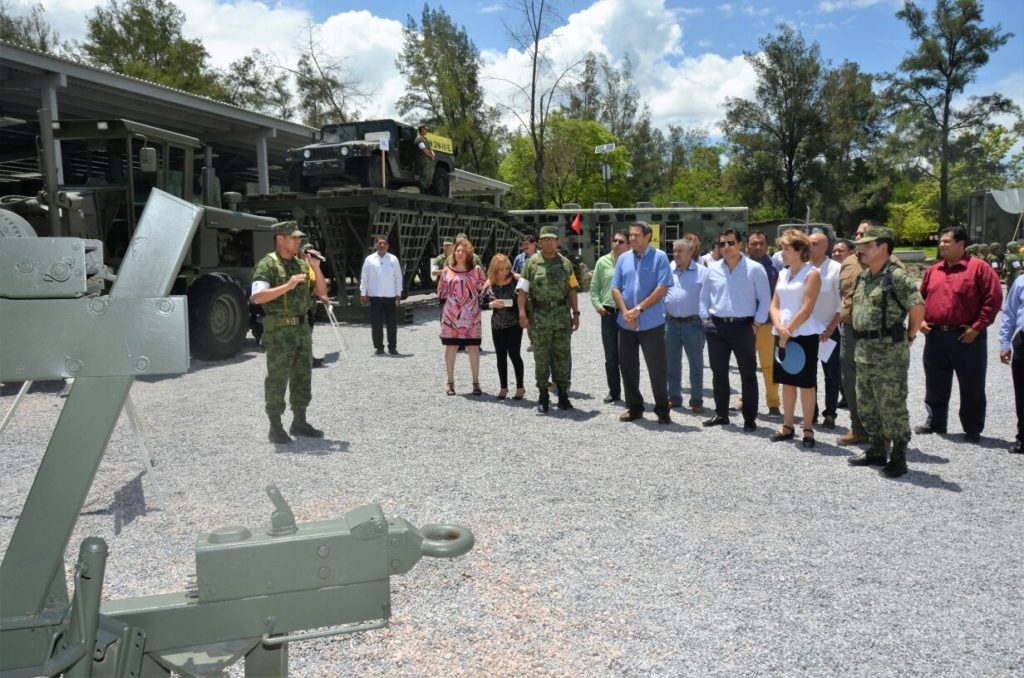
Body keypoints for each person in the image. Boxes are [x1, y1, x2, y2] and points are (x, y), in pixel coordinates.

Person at [847, 225, 924, 478]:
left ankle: (899, 456)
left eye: (867, 245)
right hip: (864, 352)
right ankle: (877, 449)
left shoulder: (897, 277)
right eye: (860, 245)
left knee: (891, 405)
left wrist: (910, 336)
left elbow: (917, 308)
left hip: (889, 355)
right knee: (866, 405)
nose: (861, 249)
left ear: (883, 247)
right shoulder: (865, 276)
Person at [916, 227, 1002, 443]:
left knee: (972, 383)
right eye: (941, 241)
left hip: (966, 336)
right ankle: (935, 421)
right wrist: (921, 321)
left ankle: (972, 429)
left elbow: (993, 299)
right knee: (935, 381)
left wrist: (977, 326)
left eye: (947, 241)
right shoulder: (933, 270)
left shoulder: (979, 269)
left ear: (961, 244)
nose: (942, 245)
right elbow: (919, 299)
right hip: (935, 336)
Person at [251, 221, 328, 444]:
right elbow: (257, 297)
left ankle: (300, 421)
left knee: (303, 376)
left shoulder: (302, 265)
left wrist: (316, 267)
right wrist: (288, 285)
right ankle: (275, 427)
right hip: (280, 330)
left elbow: (321, 293)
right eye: (294, 238)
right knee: (277, 378)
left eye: (299, 238)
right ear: (280, 238)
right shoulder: (268, 265)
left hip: (302, 329)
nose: (298, 242)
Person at [699, 229, 772, 431]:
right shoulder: (712, 269)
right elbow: (703, 298)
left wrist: (757, 324)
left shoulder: (755, 269)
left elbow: (765, 299)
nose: (726, 247)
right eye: (722, 244)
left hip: (744, 327)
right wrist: (706, 320)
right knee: (718, 373)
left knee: (748, 374)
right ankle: (721, 414)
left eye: (731, 243)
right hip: (717, 327)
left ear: (740, 245)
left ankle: (750, 418)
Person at [612, 222, 673, 424]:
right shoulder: (623, 259)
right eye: (630, 235)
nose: (632, 238)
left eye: (636, 235)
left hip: (651, 324)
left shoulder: (660, 257)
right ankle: (635, 407)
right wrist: (626, 313)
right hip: (625, 323)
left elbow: (663, 287)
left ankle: (662, 410)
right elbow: (616, 288)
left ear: (648, 237)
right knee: (628, 367)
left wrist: (638, 310)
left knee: (657, 368)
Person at [517, 225, 580, 413]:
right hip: (540, 317)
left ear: (557, 242)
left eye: (552, 239)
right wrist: (522, 313)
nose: (549, 242)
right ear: (540, 242)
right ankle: (543, 395)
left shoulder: (565, 263)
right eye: (545, 239)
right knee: (541, 357)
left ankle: (563, 395)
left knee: (562, 356)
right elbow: (522, 291)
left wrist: (576, 313)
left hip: (561, 317)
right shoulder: (531, 263)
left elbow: (572, 290)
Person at [768, 231, 823, 448]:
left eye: (786, 248)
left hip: (803, 334)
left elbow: (807, 307)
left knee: (806, 384)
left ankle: (808, 428)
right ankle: (787, 425)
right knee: (787, 381)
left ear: (799, 251)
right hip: (782, 333)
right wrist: (780, 327)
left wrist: (787, 330)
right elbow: (774, 304)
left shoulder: (813, 274)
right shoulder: (782, 274)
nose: (782, 253)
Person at [437, 238, 486, 395]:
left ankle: (476, 382)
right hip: (451, 317)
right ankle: (450, 382)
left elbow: (484, 288)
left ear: (468, 253)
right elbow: (440, 291)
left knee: (473, 348)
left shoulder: (476, 270)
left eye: (463, 251)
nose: (459, 253)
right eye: (457, 250)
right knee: (451, 347)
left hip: (472, 317)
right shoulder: (446, 271)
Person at [664, 237, 706, 413]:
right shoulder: (667, 270)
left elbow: (708, 297)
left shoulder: (702, 272)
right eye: (674, 250)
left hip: (693, 324)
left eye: (680, 251)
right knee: (671, 363)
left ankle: (696, 400)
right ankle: (674, 397)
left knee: (696, 364)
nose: (676, 254)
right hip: (670, 323)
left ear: (690, 252)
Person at [808, 231, 843, 429]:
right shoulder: (803, 268)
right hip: (807, 331)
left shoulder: (836, 269)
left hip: (829, 330)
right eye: (809, 243)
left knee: (831, 374)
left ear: (825, 247)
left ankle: (830, 414)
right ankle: (810, 410)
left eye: (815, 244)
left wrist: (831, 328)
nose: (811, 247)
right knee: (809, 374)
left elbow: (842, 302)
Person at [745, 230, 782, 416]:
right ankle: (745, 400)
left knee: (769, 366)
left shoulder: (775, 268)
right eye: (754, 243)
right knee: (746, 365)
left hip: (767, 324)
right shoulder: (740, 266)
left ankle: (773, 403)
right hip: (744, 325)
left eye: (761, 243)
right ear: (747, 246)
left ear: (767, 246)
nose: (758, 247)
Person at [590, 230, 629, 403]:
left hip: (626, 314)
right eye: (615, 240)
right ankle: (614, 391)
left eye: (621, 241)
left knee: (628, 357)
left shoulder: (632, 262)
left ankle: (631, 393)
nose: (617, 244)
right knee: (611, 357)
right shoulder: (602, 262)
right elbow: (594, 288)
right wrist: (599, 307)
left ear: (628, 244)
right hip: (608, 315)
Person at [480, 254, 525, 400]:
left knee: (514, 355)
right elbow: (479, 304)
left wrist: (522, 313)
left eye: (506, 268)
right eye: (500, 269)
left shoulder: (517, 280)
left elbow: (528, 297)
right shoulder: (489, 283)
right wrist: (491, 305)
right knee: (500, 357)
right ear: (494, 269)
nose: (504, 272)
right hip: (497, 325)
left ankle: (520, 387)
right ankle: (503, 387)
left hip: (514, 323)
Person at [359, 235, 403, 355]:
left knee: (392, 323)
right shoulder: (369, 260)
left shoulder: (393, 259)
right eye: (379, 243)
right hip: (375, 295)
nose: (382, 245)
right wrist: (363, 292)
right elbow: (364, 277)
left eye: (384, 243)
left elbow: (398, 277)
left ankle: (392, 347)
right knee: (376, 323)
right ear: (375, 245)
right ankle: (379, 347)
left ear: (387, 245)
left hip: (390, 295)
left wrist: (398, 293)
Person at [999, 274, 1024, 454]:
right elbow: (1010, 313)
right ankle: (1023, 437)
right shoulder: (1021, 281)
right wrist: (1005, 343)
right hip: (1023, 341)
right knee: (1022, 394)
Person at [416, 123, 435, 192]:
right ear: (422, 130)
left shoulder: (425, 139)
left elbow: (429, 148)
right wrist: (430, 155)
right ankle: (423, 190)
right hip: (423, 159)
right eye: (425, 129)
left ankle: (427, 189)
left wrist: (432, 154)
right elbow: (423, 149)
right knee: (425, 174)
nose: (426, 130)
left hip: (428, 160)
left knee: (429, 175)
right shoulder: (419, 139)